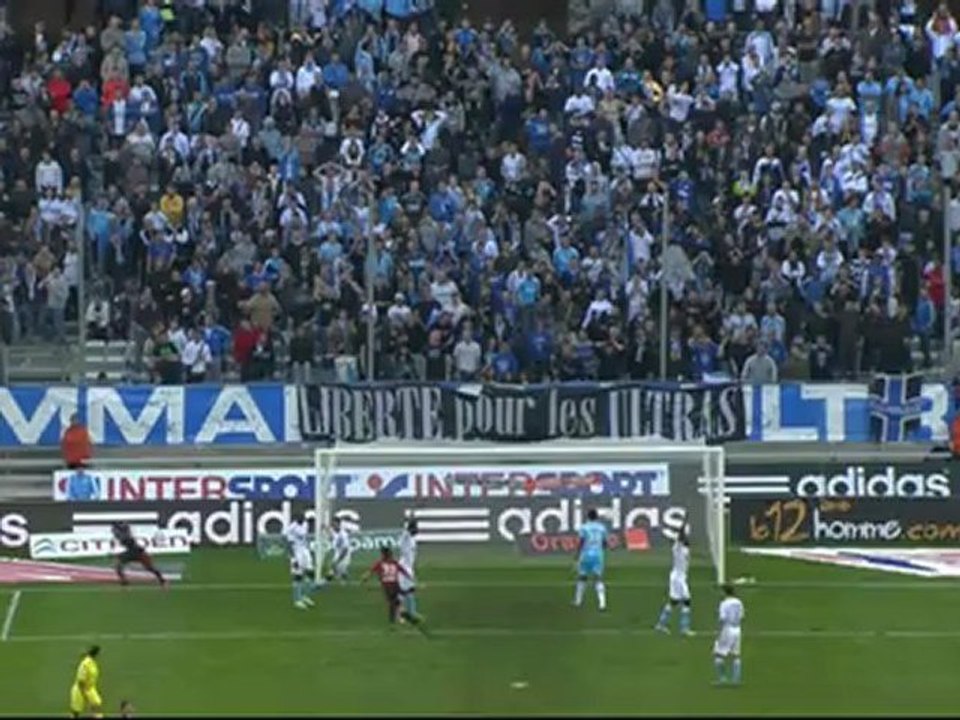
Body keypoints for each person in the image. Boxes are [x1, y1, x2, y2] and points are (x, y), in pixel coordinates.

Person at [362, 546, 427, 634]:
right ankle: (409, 619)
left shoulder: (380, 563)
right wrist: (414, 581)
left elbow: (371, 571)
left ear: (383, 554)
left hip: (388, 587)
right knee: (397, 604)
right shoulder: (394, 563)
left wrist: (365, 578)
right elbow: (404, 572)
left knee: (394, 605)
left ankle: (398, 622)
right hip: (396, 586)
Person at [654, 526, 693, 636]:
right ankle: (684, 628)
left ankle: (661, 624)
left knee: (674, 602)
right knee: (687, 602)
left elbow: (685, 542)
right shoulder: (677, 547)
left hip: (680, 577)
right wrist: (681, 532)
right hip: (678, 578)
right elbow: (680, 540)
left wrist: (683, 533)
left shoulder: (685, 547)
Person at [573, 508, 608, 611]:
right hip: (597, 554)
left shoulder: (584, 527)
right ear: (597, 517)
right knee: (598, 578)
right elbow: (605, 543)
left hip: (586, 554)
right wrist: (601, 549)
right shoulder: (602, 528)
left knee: (582, 577)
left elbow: (581, 541)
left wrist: (577, 554)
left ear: (588, 516)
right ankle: (602, 603)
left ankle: (578, 601)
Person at [112, 522, 165, 587]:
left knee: (149, 567)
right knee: (118, 565)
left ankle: (161, 579)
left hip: (136, 551)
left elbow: (125, 532)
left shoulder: (125, 535)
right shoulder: (122, 535)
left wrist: (119, 527)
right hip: (134, 552)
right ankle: (123, 580)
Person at [713, 584, 745, 685]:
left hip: (727, 629)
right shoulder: (739, 602)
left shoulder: (724, 603)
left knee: (719, 654)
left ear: (725, 592)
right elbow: (741, 616)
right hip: (737, 629)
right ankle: (736, 680)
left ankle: (722, 679)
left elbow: (722, 619)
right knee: (736, 655)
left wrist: (719, 632)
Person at [285, 512, 315, 609]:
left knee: (310, 573)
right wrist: (293, 558)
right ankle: (297, 600)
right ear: (296, 518)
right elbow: (289, 544)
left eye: (303, 518)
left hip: (305, 551)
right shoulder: (291, 528)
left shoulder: (305, 524)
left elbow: (305, 538)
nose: (302, 519)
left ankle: (305, 596)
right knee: (298, 576)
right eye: (300, 518)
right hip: (297, 552)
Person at [397, 519, 423, 622]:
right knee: (403, 592)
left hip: (409, 567)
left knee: (410, 590)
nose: (417, 530)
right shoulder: (405, 537)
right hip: (404, 568)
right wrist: (409, 526)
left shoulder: (412, 539)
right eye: (415, 528)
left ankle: (412, 613)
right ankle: (399, 614)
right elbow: (405, 533)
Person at [69, 645, 102, 718]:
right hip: (80, 690)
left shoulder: (92, 662)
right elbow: (81, 682)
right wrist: (86, 696)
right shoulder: (85, 664)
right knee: (76, 712)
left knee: (97, 705)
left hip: (90, 688)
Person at [324, 517, 351, 583]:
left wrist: (339, 559)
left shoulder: (343, 534)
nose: (333, 525)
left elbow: (345, 549)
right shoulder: (334, 532)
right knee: (333, 568)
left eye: (335, 523)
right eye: (333, 524)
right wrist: (325, 528)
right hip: (337, 553)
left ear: (339, 524)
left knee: (336, 569)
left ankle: (326, 581)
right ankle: (327, 581)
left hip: (344, 555)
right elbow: (331, 536)